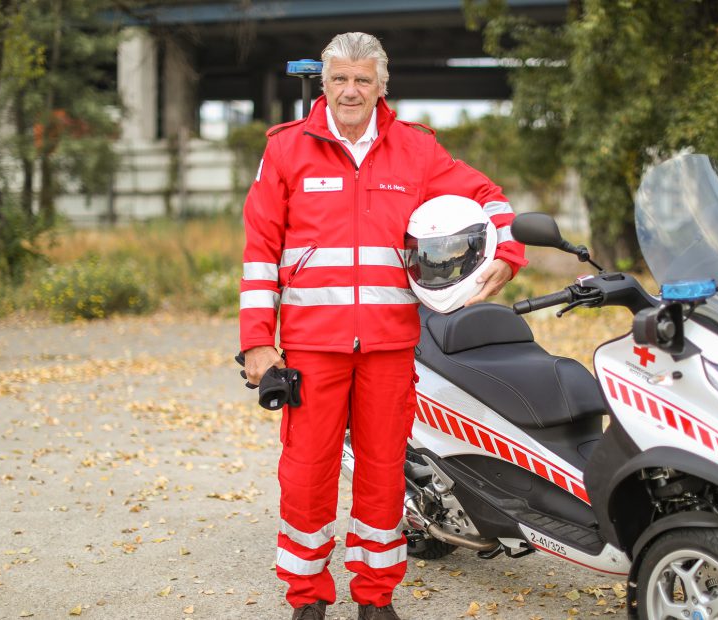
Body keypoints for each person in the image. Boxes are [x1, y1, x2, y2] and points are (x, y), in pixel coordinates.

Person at [239, 32, 527, 620]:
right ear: (324, 83)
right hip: (309, 350)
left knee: (382, 477)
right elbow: (259, 250)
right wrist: (255, 344)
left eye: (362, 80)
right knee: (305, 476)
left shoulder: (416, 151)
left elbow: (486, 197)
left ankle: (376, 598)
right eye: (340, 79)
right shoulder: (288, 150)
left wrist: (509, 247)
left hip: (390, 348)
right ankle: (308, 598)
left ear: (381, 86)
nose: (351, 90)